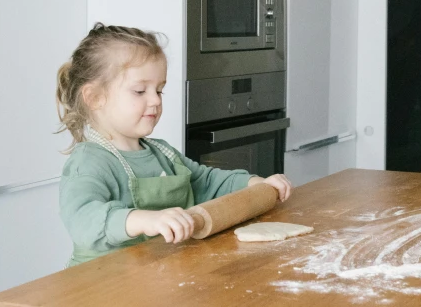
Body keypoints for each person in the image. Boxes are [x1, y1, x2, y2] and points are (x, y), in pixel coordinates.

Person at [56, 23, 292, 266]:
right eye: (140, 91)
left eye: (159, 91)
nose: (155, 101)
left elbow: (206, 181)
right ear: (95, 97)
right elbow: (83, 221)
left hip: (157, 275)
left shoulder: (162, 153)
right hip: (100, 287)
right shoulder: (88, 162)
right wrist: (144, 220)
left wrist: (256, 184)